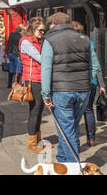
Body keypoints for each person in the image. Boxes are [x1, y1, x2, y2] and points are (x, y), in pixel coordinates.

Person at [41, 12, 100, 163]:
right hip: (83, 91)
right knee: (69, 128)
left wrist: (45, 94)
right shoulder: (85, 39)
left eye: (50, 25)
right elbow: (96, 66)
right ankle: (62, 161)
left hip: (61, 92)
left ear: (54, 24)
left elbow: (46, 69)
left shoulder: (49, 40)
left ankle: (74, 166)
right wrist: (84, 80)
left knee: (67, 131)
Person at [71, 21, 106, 148]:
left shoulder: (68, 46)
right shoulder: (90, 44)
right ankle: (91, 139)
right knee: (89, 110)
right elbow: (97, 67)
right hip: (91, 83)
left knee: (74, 113)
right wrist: (102, 85)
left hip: (76, 83)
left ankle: (75, 142)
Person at [19, 17, 46, 153]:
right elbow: (40, 58)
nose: (42, 32)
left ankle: (38, 140)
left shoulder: (40, 41)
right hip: (32, 80)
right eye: (40, 30)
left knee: (39, 110)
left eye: (43, 30)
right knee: (35, 111)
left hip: (40, 78)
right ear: (33, 29)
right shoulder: (26, 42)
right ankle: (32, 143)